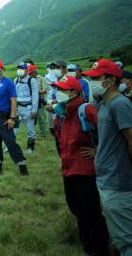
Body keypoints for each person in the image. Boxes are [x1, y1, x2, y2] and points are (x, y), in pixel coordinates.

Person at [52, 76, 110, 256]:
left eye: (63, 90)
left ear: (75, 93)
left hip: (85, 169)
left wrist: (97, 150)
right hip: (68, 168)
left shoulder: (87, 110)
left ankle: (99, 248)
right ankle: (85, 241)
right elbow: (59, 139)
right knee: (75, 207)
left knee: (90, 210)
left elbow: (109, 135)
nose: (59, 93)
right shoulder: (61, 113)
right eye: (58, 89)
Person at [83, 59, 132, 256]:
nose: (92, 81)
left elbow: (131, 140)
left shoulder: (120, 104)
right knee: (118, 234)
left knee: (126, 239)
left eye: (96, 78)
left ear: (110, 80)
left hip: (118, 181)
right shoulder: (104, 104)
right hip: (106, 178)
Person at [13, 62, 39, 153]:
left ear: (26, 70)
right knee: (14, 128)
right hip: (18, 108)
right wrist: (14, 110)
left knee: (30, 129)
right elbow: (14, 96)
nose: (20, 70)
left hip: (28, 108)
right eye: (18, 68)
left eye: (22, 68)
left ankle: (30, 147)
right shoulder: (15, 80)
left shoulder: (32, 80)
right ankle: (10, 146)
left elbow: (35, 96)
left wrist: (34, 110)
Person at [28, 64, 48, 139]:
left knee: (41, 118)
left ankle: (43, 134)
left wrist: (35, 92)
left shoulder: (42, 79)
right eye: (29, 73)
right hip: (31, 101)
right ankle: (32, 134)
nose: (29, 74)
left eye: (31, 73)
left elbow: (45, 90)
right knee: (31, 118)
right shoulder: (28, 79)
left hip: (40, 101)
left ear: (35, 72)